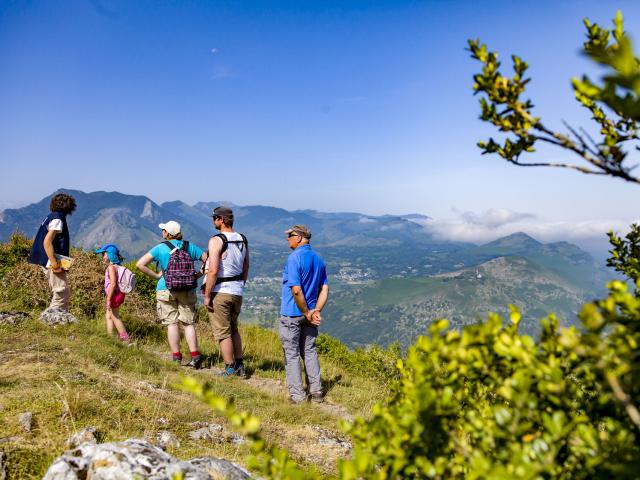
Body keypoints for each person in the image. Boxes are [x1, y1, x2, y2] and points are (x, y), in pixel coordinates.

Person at [136, 221, 206, 368]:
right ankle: (195, 357)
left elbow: (140, 264)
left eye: (164, 230)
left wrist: (156, 276)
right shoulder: (189, 247)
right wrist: (197, 275)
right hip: (187, 288)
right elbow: (208, 261)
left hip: (165, 288)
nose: (162, 232)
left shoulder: (160, 248)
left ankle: (176, 357)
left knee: (172, 324)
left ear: (167, 233)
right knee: (188, 324)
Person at [279, 225, 329, 404]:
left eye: (290, 235)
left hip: (293, 313)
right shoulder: (318, 259)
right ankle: (316, 392)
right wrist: (316, 310)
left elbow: (296, 290)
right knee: (309, 351)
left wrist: (307, 311)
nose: (288, 239)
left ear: (299, 237)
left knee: (291, 354)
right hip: (309, 315)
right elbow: (325, 288)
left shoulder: (294, 258)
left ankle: (298, 397)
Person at [202, 206, 250, 378]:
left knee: (223, 332)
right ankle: (240, 365)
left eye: (215, 218)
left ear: (221, 219)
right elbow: (246, 266)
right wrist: (240, 284)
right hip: (237, 290)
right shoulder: (242, 239)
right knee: (234, 329)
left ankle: (230, 368)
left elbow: (213, 270)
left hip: (220, 291)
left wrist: (207, 296)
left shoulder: (216, 240)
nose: (213, 221)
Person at [27, 192, 77, 312]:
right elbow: (47, 242)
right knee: (61, 292)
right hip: (52, 260)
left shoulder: (51, 216)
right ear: (69, 206)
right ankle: (51, 321)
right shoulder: (58, 219)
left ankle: (61, 320)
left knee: (61, 291)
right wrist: (55, 264)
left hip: (46, 259)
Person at [95, 244, 130, 344]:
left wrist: (108, 299)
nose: (103, 256)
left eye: (104, 254)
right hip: (119, 294)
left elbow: (113, 284)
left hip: (113, 295)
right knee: (108, 316)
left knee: (115, 317)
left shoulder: (111, 267)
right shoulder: (118, 266)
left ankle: (126, 339)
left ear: (110, 255)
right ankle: (110, 338)